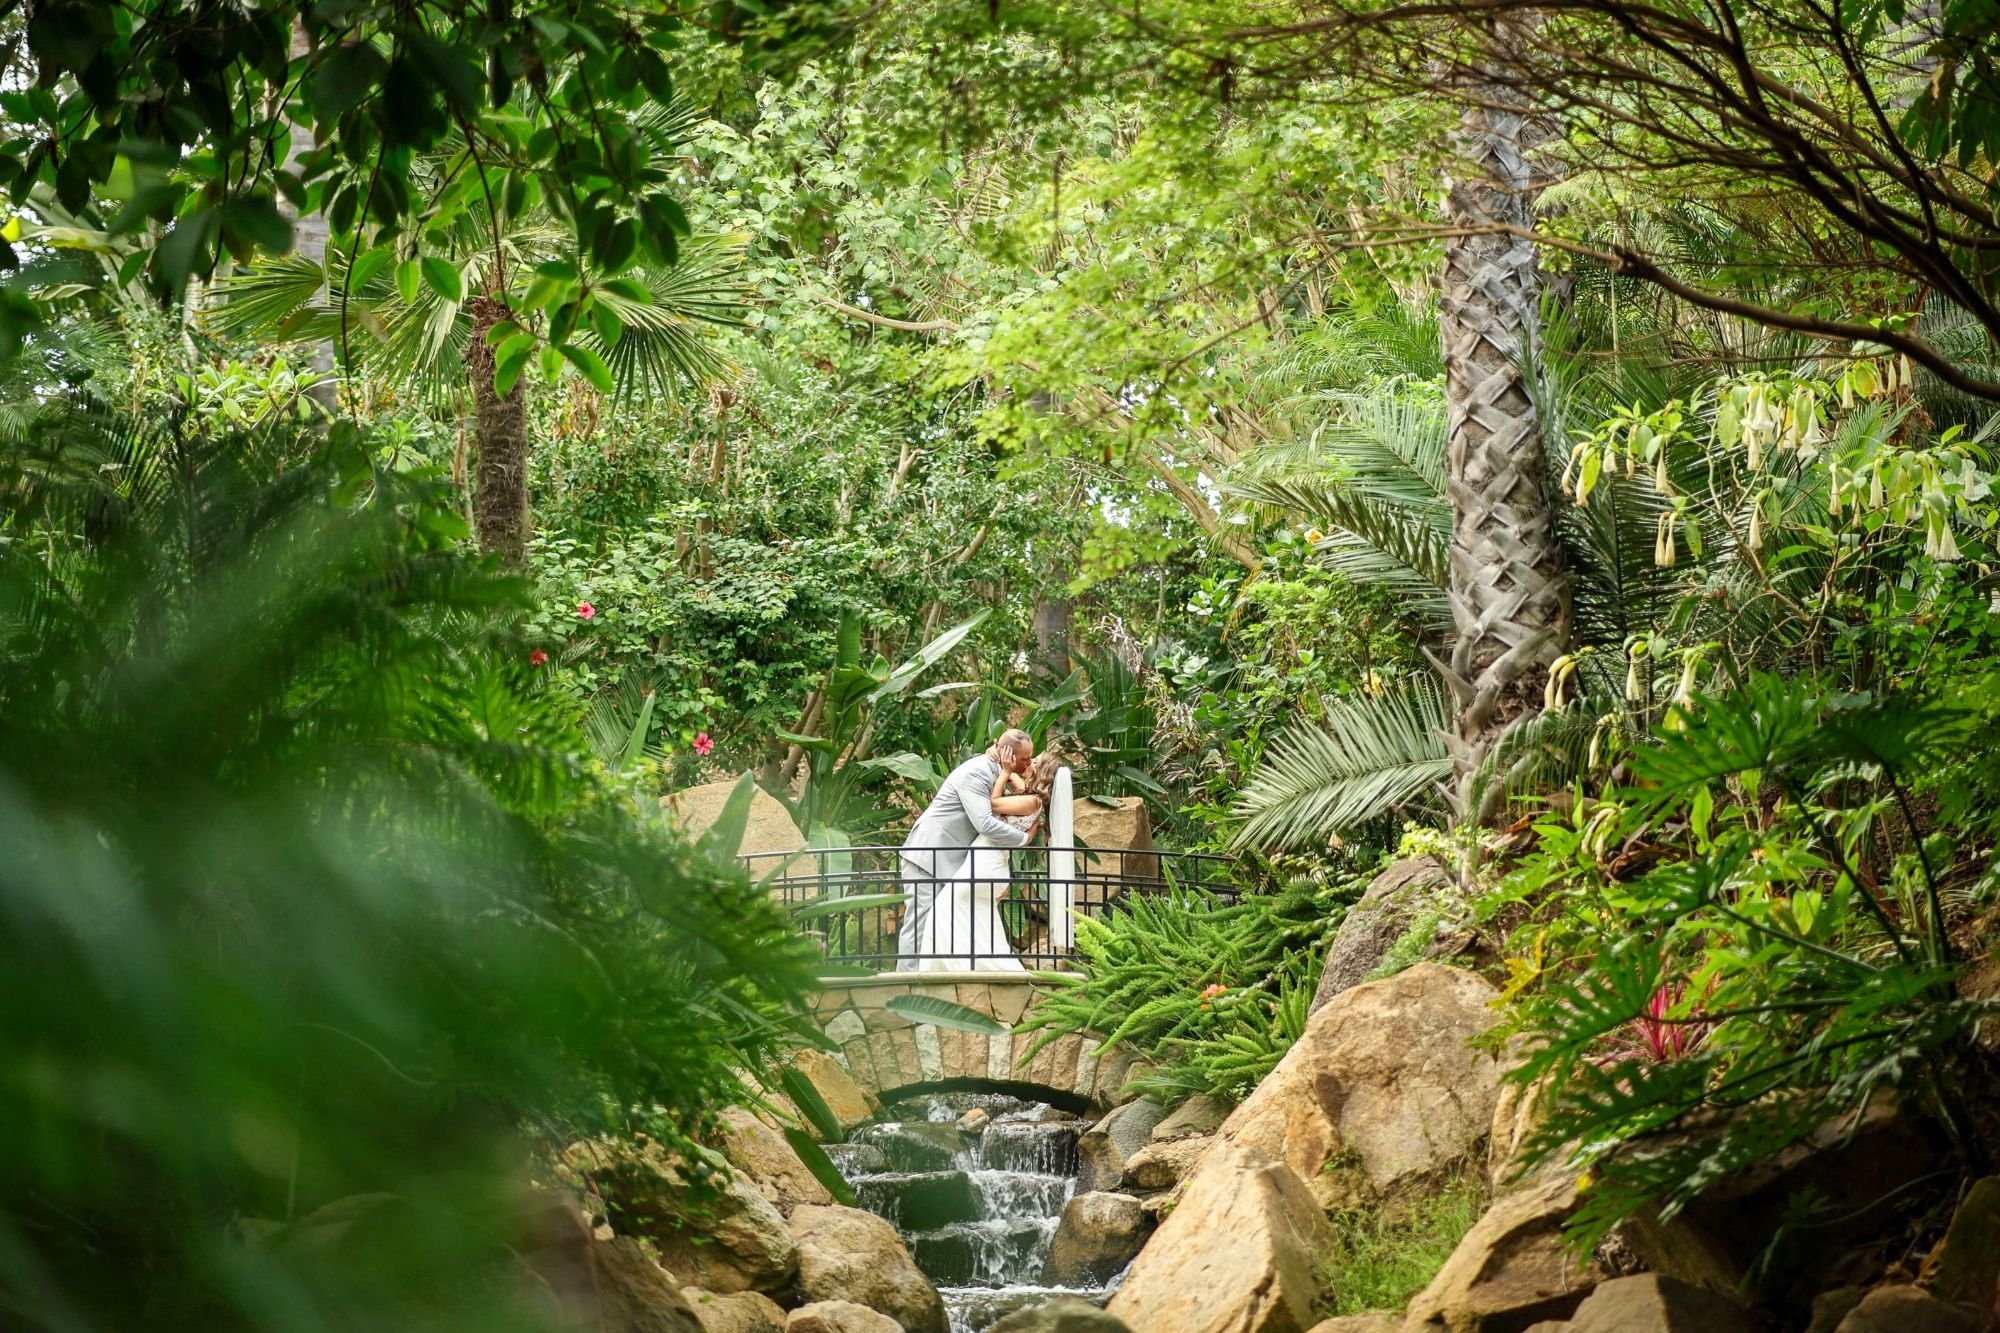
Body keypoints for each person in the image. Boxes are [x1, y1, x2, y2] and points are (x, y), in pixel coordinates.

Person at [897, 729, 1038, 972]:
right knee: (920, 922)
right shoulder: (977, 772)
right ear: (1009, 755)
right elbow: (984, 823)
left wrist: (1010, 770)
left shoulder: (998, 773)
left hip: (951, 860)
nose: (1029, 762)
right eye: (1025, 758)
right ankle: (906, 982)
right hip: (929, 854)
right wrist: (1023, 839)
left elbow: (1025, 793)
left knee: (941, 925)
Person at [913, 751, 1062, 973]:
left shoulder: (1031, 800)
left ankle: (957, 968)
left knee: (944, 910)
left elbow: (992, 804)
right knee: (980, 919)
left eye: (1035, 762)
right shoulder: (1030, 796)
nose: (1029, 762)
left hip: (986, 864)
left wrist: (1005, 772)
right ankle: (989, 967)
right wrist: (998, 757)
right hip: (989, 863)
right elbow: (1018, 780)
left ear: (1041, 772)